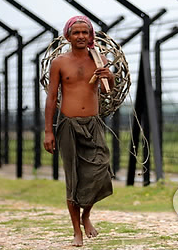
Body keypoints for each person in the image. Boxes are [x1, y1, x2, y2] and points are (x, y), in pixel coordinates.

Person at [44, 16, 115, 247]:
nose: (81, 36)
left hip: (93, 124)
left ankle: (86, 214)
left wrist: (110, 77)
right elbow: (52, 98)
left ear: (91, 36)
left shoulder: (100, 59)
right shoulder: (59, 63)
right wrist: (48, 131)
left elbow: (107, 91)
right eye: (76, 33)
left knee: (101, 168)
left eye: (85, 32)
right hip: (68, 125)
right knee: (73, 178)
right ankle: (77, 231)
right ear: (68, 36)